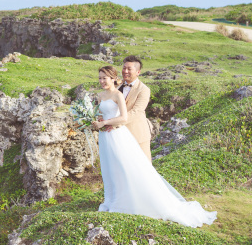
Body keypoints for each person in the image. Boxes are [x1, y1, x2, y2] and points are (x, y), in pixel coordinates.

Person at [91, 65, 216, 228]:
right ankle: (111, 200)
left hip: (117, 135)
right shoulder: (100, 95)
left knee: (125, 166)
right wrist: (96, 121)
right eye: (100, 78)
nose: (101, 81)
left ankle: (129, 200)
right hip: (105, 136)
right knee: (109, 167)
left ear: (113, 78)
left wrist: (106, 123)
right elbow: (100, 114)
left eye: (104, 78)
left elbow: (123, 118)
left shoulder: (118, 95)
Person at [119, 55, 153, 162]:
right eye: (124, 68)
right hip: (119, 136)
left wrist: (114, 122)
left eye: (129, 69)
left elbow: (136, 111)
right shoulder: (117, 86)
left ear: (138, 72)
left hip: (138, 135)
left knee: (143, 165)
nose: (125, 71)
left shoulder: (144, 90)